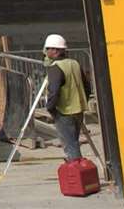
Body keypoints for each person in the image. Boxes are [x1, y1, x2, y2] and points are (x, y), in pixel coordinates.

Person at [42, 33, 93, 161]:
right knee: (74, 142)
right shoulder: (74, 63)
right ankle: (79, 170)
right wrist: (82, 102)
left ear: (55, 50)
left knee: (70, 145)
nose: (46, 51)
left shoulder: (56, 67)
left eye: (48, 49)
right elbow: (87, 86)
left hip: (64, 112)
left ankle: (76, 171)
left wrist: (50, 108)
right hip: (78, 110)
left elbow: (54, 90)